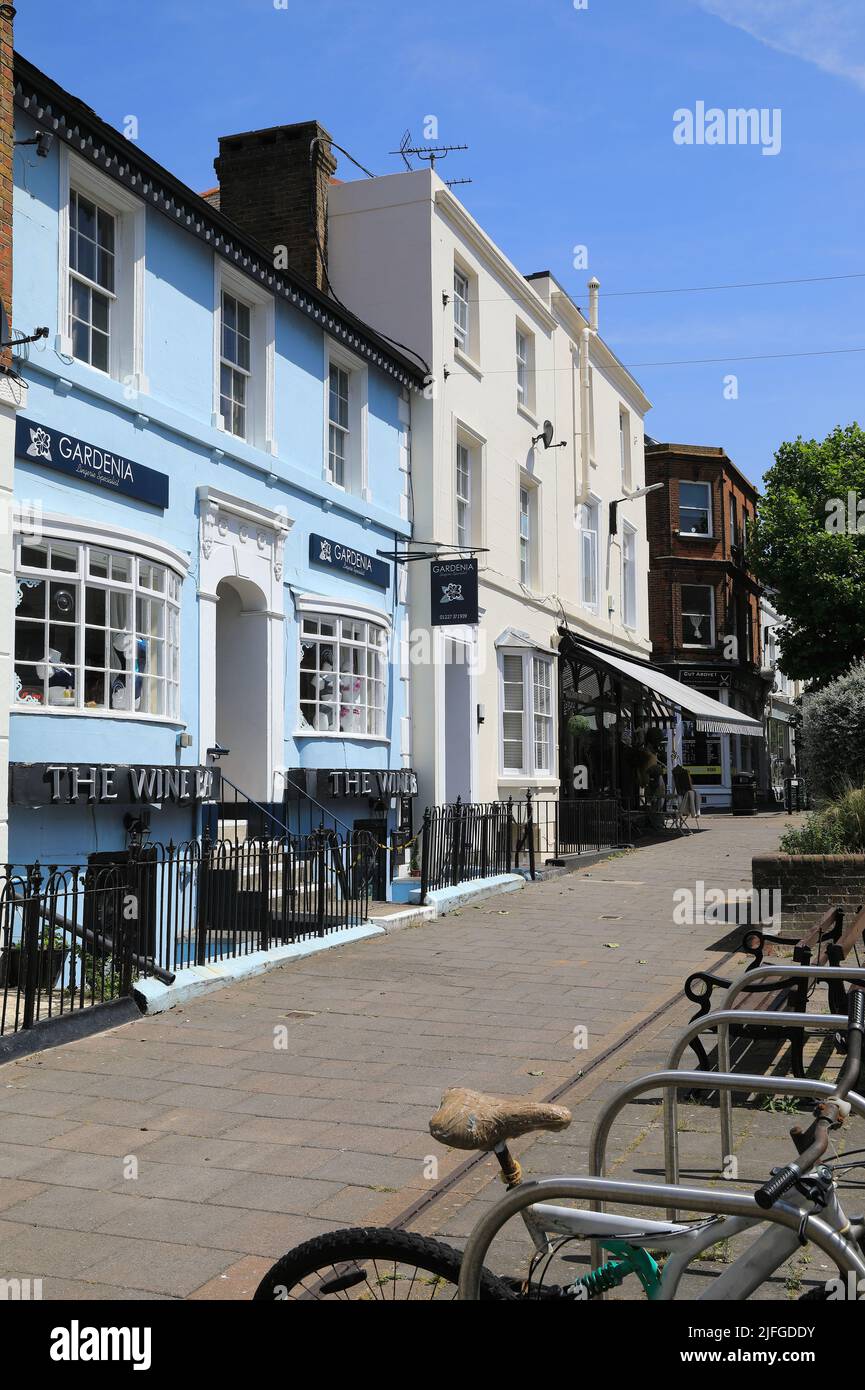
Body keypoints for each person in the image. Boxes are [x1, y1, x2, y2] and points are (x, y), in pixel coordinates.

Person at [672, 762, 702, 831]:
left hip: (682, 804)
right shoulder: (689, 789)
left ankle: (679, 824)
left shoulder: (677, 779)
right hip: (683, 799)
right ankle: (694, 813)